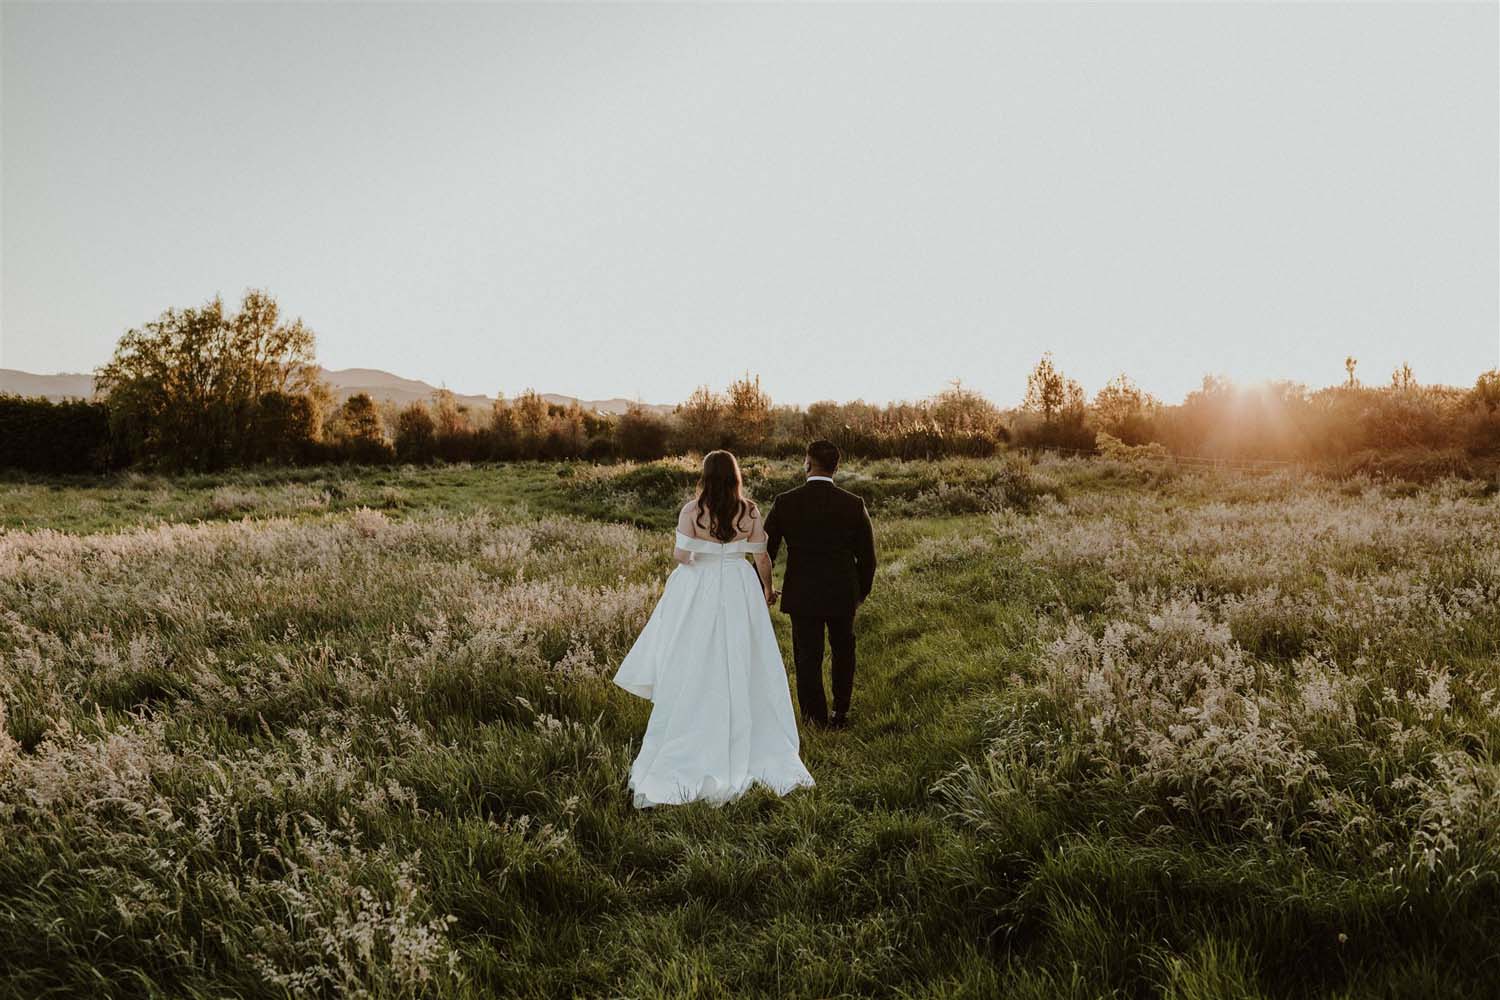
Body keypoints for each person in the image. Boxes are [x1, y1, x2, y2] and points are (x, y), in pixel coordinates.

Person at [612, 450, 815, 808]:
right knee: (742, 652)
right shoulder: (749, 510)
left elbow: (681, 556)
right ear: (735, 476)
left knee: (695, 654)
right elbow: (762, 557)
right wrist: (767, 588)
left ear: (705, 476)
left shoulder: (692, 511)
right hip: (739, 585)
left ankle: (695, 717)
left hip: (701, 587)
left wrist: (705, 554)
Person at [763, 440, 876, 730]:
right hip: (842, 593)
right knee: (843, 652)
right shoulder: (854, 504)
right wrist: (859, 593)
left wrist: (764, 586)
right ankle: (841, 712)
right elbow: (867, 558)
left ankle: (815, 718)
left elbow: (766, 551)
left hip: (802, 593)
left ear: (807, 463)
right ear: (836, 467)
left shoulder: (785, 502)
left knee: (807, 657)